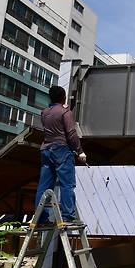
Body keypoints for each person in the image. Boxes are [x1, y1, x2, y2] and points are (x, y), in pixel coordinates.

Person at [34, 86, 87, 222]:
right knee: (67, 184)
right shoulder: (65, 112)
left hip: (46, 150)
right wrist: (80, 151)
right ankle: (67, 216)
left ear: (50, 98)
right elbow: (71, 133)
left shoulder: (44, 112)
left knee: (44, 185)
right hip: (61, 149)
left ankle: (40, 217)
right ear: (63, 97)